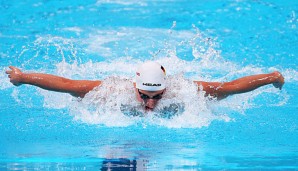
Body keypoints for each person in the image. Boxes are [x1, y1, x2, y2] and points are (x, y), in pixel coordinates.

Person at [5, 61, 284, 110]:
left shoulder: (185, 90)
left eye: (158, 96)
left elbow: (232, 86)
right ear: (134, 87)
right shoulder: (112, 90)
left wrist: (271, 78)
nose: (150, 103)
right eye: (144, 95)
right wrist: (22, 78)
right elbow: (66, 84)